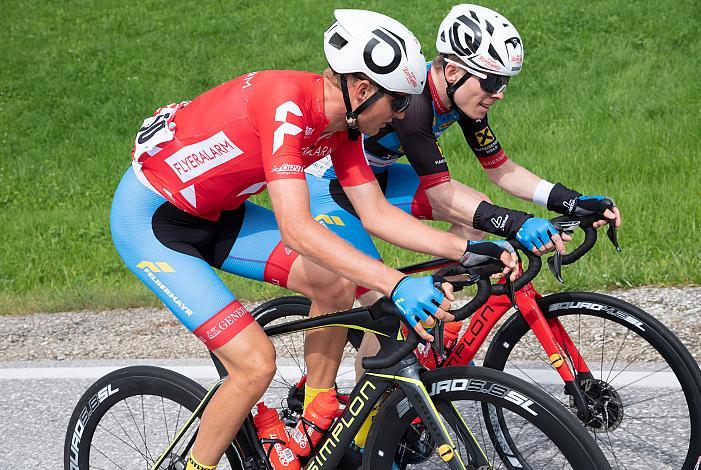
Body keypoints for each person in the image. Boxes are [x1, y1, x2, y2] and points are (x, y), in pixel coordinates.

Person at [110, 9, 517, 469]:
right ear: (363, 90)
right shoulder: (285, 104)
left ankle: (314, 419)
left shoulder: (343, 126)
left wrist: (467, 249)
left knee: (334, 285)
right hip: (154, 223)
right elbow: (297, 229)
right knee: (255, 364)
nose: (402, 115)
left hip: (219, 213)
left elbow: (377, 213)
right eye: (399, 102)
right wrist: (396, 283)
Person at [303, 4, 621, 452]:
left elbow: (502, 170)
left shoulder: (464, 100)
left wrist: (569, 199)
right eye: (491, 82)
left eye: (504, 83)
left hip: (377, 178)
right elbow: (440, 194)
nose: (499, 93)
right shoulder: (413, 103)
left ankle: (442, 342)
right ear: (452, 70)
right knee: (386, 315)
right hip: (329, 189)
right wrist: (517, 223)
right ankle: (370, 432)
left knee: (477, 240)